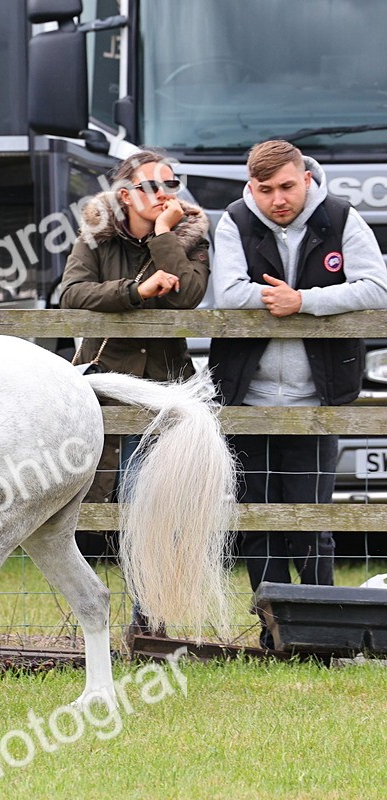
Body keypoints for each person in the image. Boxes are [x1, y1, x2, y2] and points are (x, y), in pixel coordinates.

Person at [208, 140, 387, 649]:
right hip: (248, 400)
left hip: (318, 400)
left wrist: (302, 300)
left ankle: (324, 636)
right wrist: (290, 302)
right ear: (251, 187)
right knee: (257, 524)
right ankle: (274, 634)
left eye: (286, 186)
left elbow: (377, 287)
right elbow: (230, 294)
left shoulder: (341, 216)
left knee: (314, 523)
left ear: (305, 177)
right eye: (264, 190)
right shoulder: (235, 221)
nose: (277, 199)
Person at [59, 149, 211, 642]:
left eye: (172, 182)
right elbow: (73, 294)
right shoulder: (96, 235)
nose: (165, 193)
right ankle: (86, 615)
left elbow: (189, 293)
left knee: (157, 504)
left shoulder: (190, 234)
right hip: (106, 388)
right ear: (125, 195)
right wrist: (135, 292)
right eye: (152, 185)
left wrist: (165, 235)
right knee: (95, 505)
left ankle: (152, 620)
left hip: (167, 391)